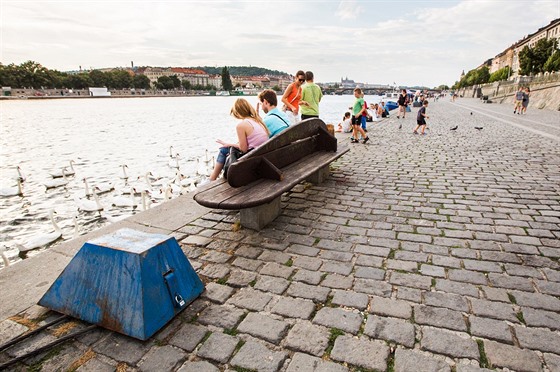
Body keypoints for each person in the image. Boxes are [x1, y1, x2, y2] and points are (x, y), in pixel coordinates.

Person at [209, 98, 270, 181]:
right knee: (227, 149)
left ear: (237, 112)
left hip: (252, 161)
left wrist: (229, 144)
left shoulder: (241, 125)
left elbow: (243, 149)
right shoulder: (258, 121)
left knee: (223, 150)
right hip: (261, 157)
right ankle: (212, 178)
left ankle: (212, 179)